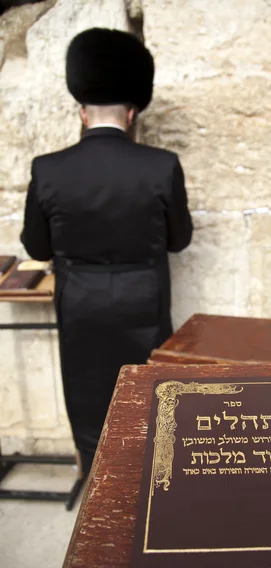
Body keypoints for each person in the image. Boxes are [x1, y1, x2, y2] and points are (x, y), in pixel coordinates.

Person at [20, 28, 193, 475]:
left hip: (79, 301)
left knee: (88, 391)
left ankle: (100, 484)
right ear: (133, 112)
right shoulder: (162, 165)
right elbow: (179, 240)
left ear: (81, 111)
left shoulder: (48, 168)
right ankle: (153, 482)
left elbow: (36, 246)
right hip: (144, 296)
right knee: (148, 393)